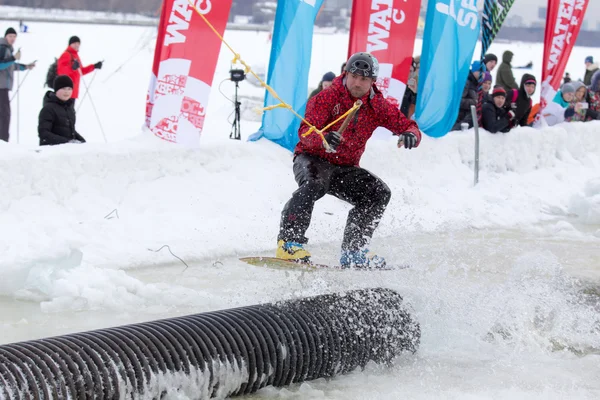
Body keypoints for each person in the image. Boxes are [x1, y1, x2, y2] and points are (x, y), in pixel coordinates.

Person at [276, 52, 422, 269]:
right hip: (312, 157)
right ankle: (288, 243)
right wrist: (323, 138)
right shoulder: (327, 97)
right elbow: (305, 132)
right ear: (346, 74)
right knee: (313, 184)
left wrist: (411, 134)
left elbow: (408, 125)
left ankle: (354, 251)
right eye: (354, 76)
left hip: (344, 168)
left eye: (364, 79)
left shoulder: (376, 105)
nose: (357, 83)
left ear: (372, 81)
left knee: (378, 193)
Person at [0, 27, 35, 142]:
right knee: (5, 114)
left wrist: (25, 66)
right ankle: (3, 139)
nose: (12, 38)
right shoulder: (3, 48)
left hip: (4, 87)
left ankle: (4, 139)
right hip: (1, 87)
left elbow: (11, 66)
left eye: (14, 36)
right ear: (6, 37)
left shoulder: (8, 49)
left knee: (5, 114)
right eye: (10, 36)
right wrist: (13, 58)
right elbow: (1, 65)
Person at [38, 75, 86, 146]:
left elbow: (69, 130)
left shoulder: (69, 108)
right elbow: (44, 133)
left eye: (69, 89)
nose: (66, 92)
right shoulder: (48, 109)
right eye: (63, 88)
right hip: (51, 151)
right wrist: (67, 142)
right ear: (56, 90)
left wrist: (81, 141)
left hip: (67, 150)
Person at [56, 36, 103, 102]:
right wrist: (73, 68)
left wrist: (94, 66)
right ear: (70, 44)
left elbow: (81, 71)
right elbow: (61, 71)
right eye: (75, 43)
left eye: (78, 43)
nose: (77, 45)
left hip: (72, 92)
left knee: (69, 111)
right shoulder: (66, 54)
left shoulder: (76, 56)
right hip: (65, 91)